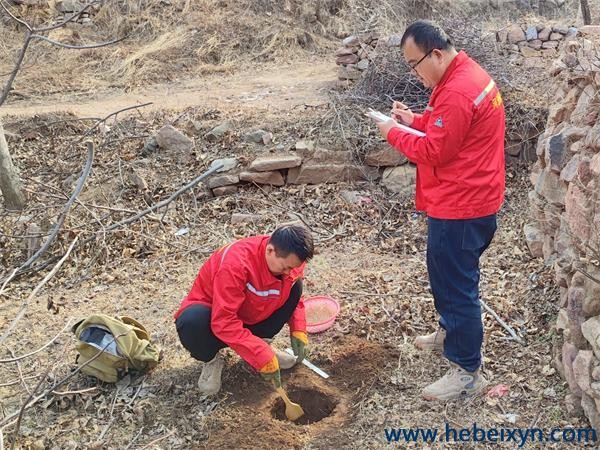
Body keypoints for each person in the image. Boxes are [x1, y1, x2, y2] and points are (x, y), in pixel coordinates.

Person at [375, 20, 506, 401]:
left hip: (462, 204)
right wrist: (414, 121)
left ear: (435, 53)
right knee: (445, 274)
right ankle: (450, 331)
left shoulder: (458, 91)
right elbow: (448, 131)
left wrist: (392, 132)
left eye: (414, 64)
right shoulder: (462, 75)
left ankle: (466, 370)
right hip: (468, 196)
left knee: (456, 284)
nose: (414, 73)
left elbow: (434, 150)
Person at [174, 225, 314, 395]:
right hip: (215, 318)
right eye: (285, 267)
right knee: (191, 321)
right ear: (270, 250)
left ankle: (261, 347)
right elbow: (223, 321)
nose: (289, 272)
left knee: (295, 287)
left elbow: (294, 298)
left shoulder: (290, 260)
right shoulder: (235, 265)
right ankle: (212, 361)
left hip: (252, 311)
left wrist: (298, 329)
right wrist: (259, 354)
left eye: (293, 268)